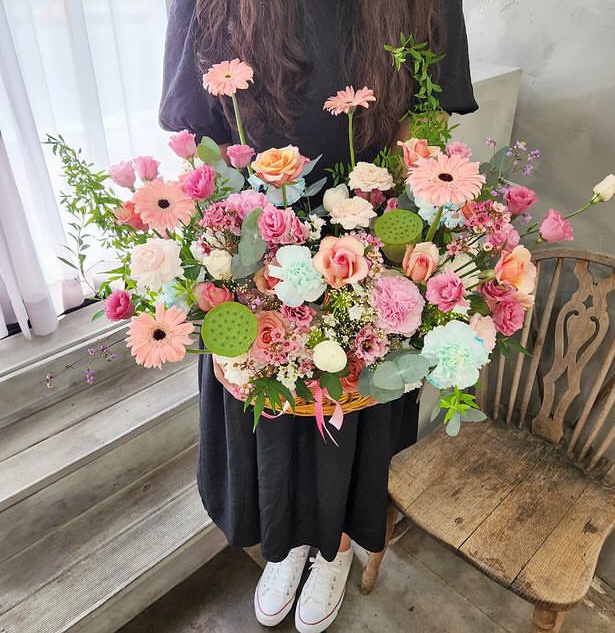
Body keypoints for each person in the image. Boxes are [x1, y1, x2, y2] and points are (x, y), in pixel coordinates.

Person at [160, 1, 477, 631]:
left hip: (374, 237)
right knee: (272, 417)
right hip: (254, 239)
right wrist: (224, 252)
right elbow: (197, 128)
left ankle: (335, 545)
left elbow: (428, 113)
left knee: (355, 415)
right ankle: (285, 544)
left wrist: (399, 241)